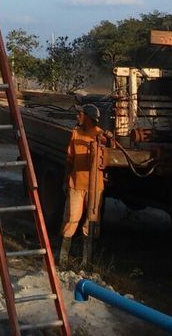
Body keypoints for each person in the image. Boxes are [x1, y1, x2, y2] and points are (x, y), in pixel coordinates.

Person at [58, 103, 102, 265]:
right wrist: (65, 180)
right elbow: (69, 160)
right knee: (71, 219)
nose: (77, 116)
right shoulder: (75, 134)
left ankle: (87, 261)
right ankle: (62, 258)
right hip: (76, 184)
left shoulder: (100, 136)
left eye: (80, 114)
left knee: (90, 222)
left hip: (95, 187)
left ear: (88, 118)